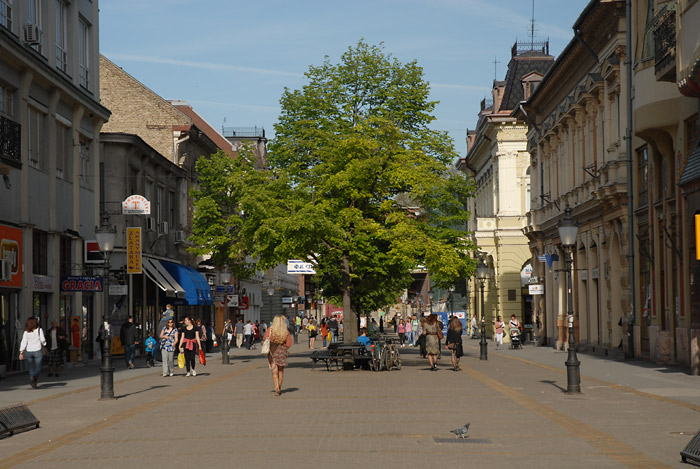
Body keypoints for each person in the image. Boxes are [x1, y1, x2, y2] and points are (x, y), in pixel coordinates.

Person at [263, 314, 292, 396]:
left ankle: (276, 388)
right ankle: (279, 386)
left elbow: (264, 338)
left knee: (274, 370)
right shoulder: (286, 331)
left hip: (272, 351)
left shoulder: (270, 330)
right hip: (282, 351)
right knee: (281, 370)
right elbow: (289, 344)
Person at [19, 317, 46, 389]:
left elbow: (24, 342)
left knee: (31, 368)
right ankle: (34, 376)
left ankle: (33, 382)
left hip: (29, 351)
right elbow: (43, 340)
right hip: (37, 350)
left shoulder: (26, 332)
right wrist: (45, 343)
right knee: (38, 367)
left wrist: (21, 352)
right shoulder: (39, 330)